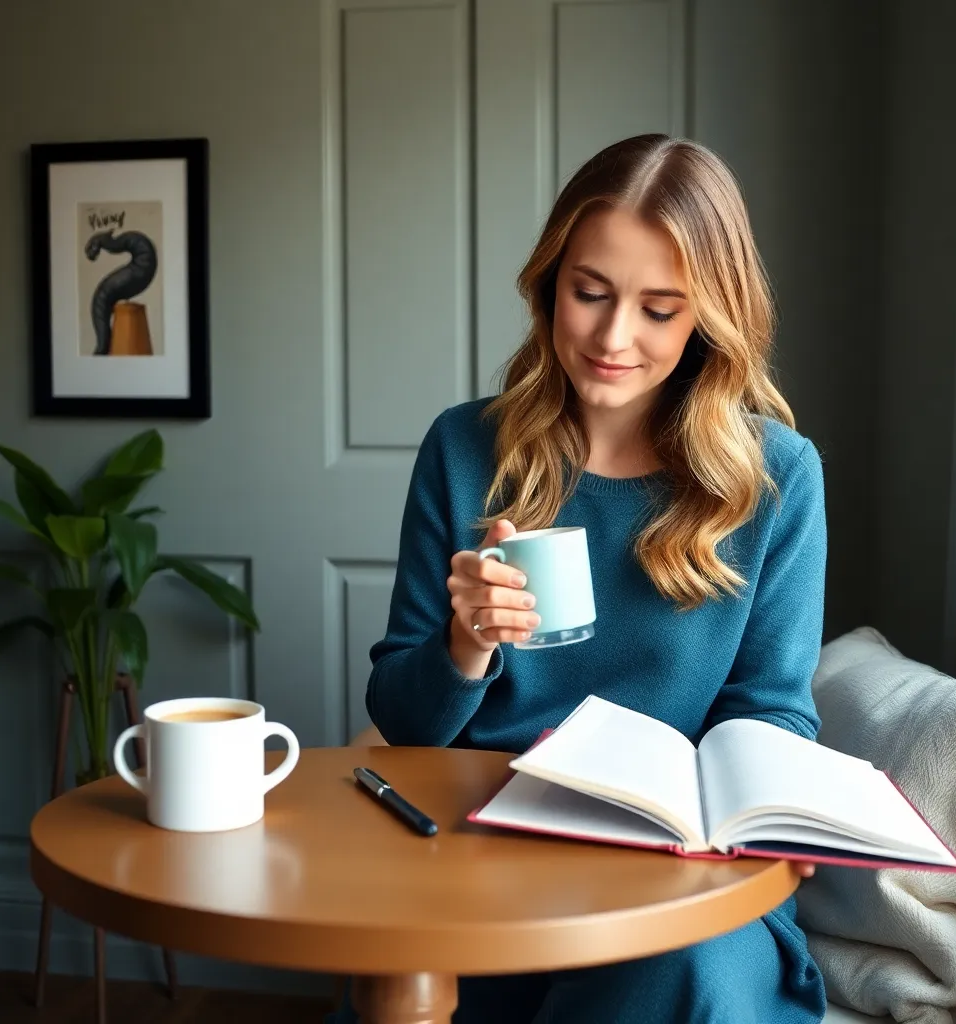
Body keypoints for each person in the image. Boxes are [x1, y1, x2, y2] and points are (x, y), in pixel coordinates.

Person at [353, 134, 827, 1023]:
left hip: (675, 872)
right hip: (484, 857)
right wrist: (467, 642)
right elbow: (404, 720)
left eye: (659, 308)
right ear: (549, 284)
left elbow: (773, 708)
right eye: (591, 294)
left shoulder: (776, 478)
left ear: (709, 317)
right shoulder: (464, 449)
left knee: (688, 976)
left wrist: (766, 812)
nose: (614, 338)